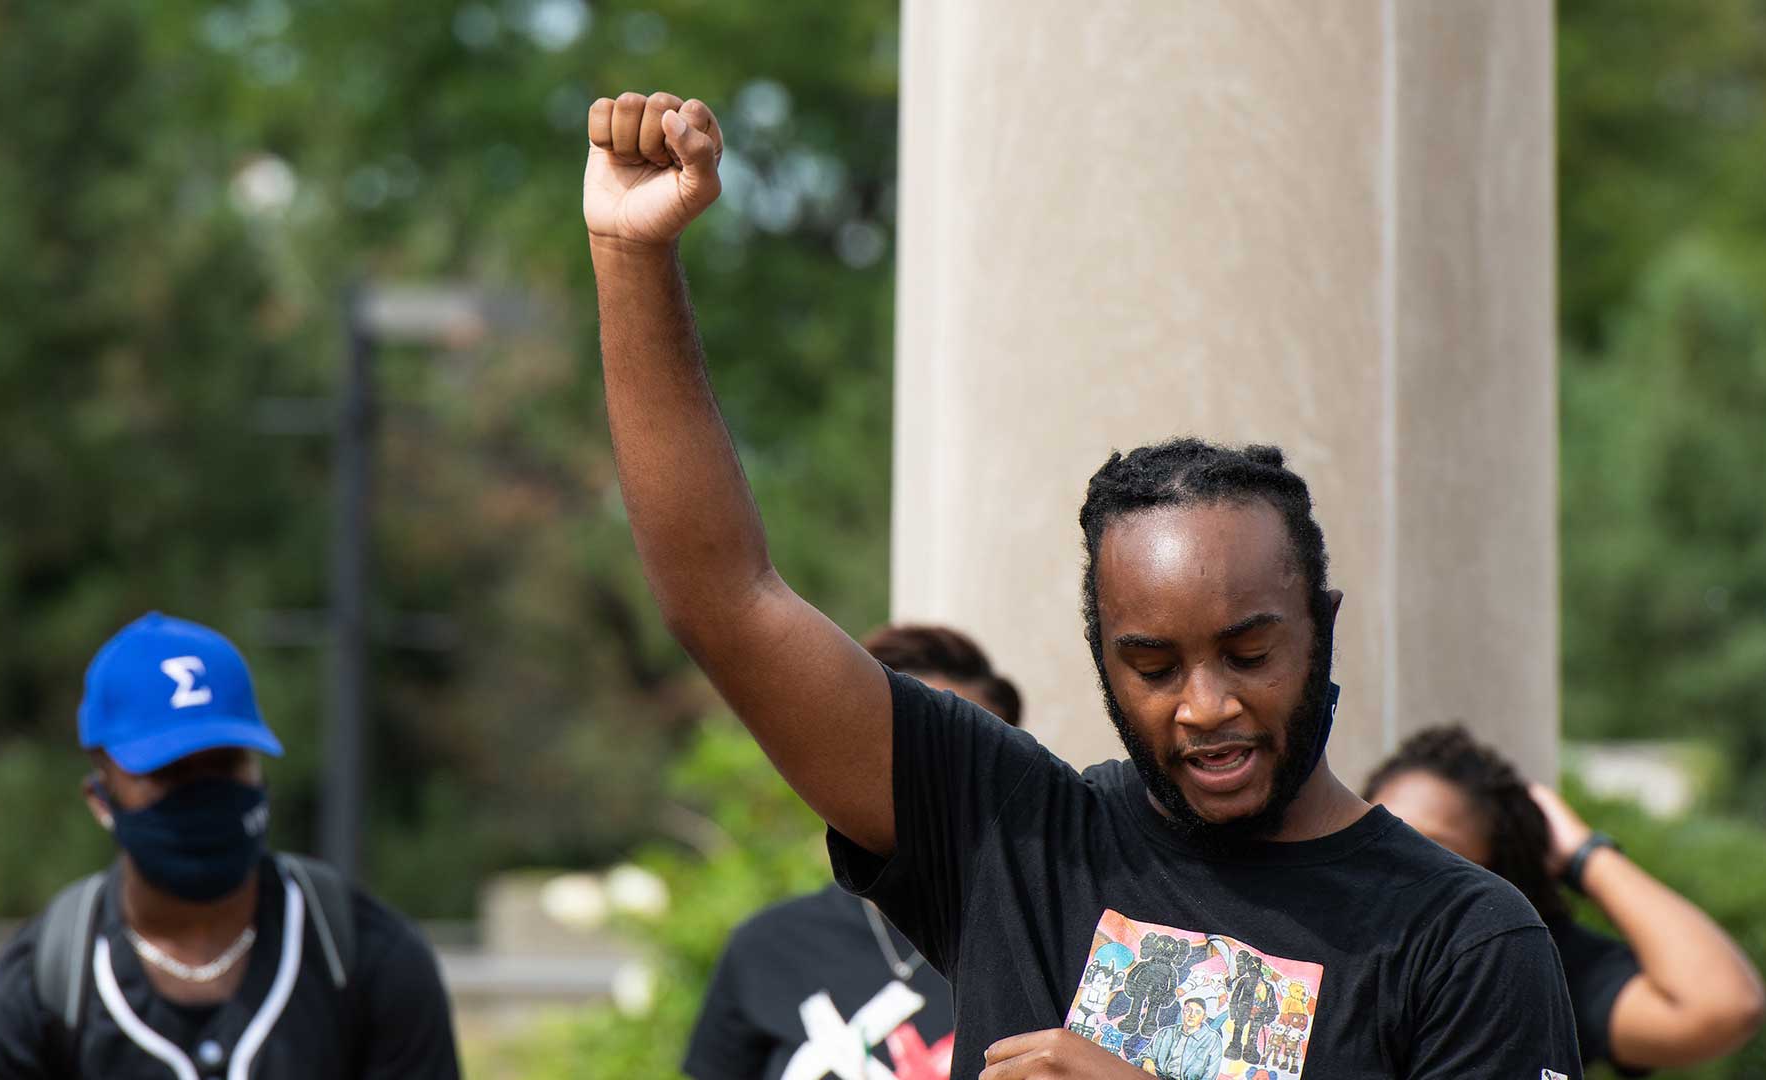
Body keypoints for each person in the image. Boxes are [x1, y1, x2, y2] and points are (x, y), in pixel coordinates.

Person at [584, 89, 1582, 1078]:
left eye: (1248, 651)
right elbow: (729, 601)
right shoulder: (1011, 836)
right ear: (1103, 661)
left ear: (1321, 630)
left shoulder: (1465, 942)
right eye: (1152, 664)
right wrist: (634, 259)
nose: (1206, 705)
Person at [0, 612, 460, 1079]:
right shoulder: (36, 991)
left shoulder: (365, 957)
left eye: (225, 763)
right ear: (101, 799)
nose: (203, 792)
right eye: (169, 773)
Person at [684, 624, 1022, 1080]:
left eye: (968, 758)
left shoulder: (1038, 947)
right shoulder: (767, 949)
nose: (930, 786)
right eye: (903, 754)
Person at [1364, 725, 1766, 1074]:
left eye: (1431, 848)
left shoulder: (1529, 966)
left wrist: (1584, 854)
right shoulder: (1320, 927)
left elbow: (1724, 1004)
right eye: (1382, 834)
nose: (1399, 861)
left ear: (1499, 877)